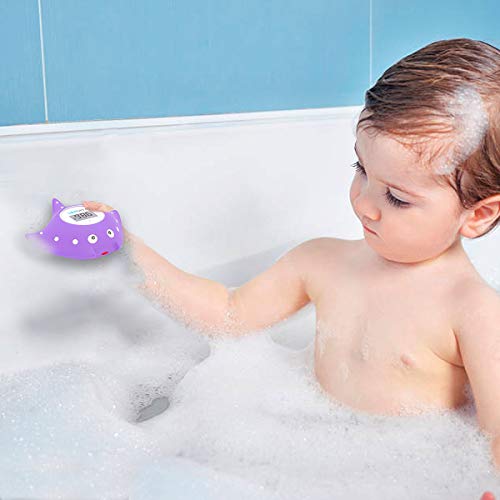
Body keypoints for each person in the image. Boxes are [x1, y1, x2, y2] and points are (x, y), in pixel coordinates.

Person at [83, 38, 500, 498]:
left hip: (409, 477)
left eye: (397, 198)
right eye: (361, 169)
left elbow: (496, 436)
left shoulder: (474, 313)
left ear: (478, 215)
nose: (364, 203)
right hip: (298, 455)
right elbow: (228, 314)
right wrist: (130, 254)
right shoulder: (322, 261)